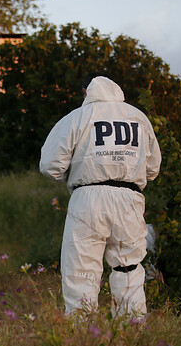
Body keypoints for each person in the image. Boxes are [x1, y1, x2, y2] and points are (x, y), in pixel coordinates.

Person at [40, 72, 161, 318]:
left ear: (86, 92)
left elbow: (50, 165)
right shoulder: (138, 117)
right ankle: (133, 333)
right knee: (129, 269)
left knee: (81, 272)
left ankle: (82, 337)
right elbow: (153, 168)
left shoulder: (77, 117)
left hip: (88, 197)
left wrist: (77, 174)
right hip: (129, 197)